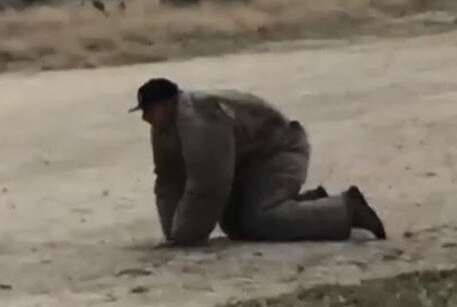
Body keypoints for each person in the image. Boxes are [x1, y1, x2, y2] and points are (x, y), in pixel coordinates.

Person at [130, 78, 386, 246]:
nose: (145, 118)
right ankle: (309, 204)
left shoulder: (198, 118)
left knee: (260, 219)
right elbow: (168, 178)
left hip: (279, 151)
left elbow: (209, 183)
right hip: (248, 163)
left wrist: (185, 237)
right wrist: (173, 230)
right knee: (237, 227)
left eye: (147, 111)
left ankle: (345, 209)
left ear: (165, 106)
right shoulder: (167, 126)